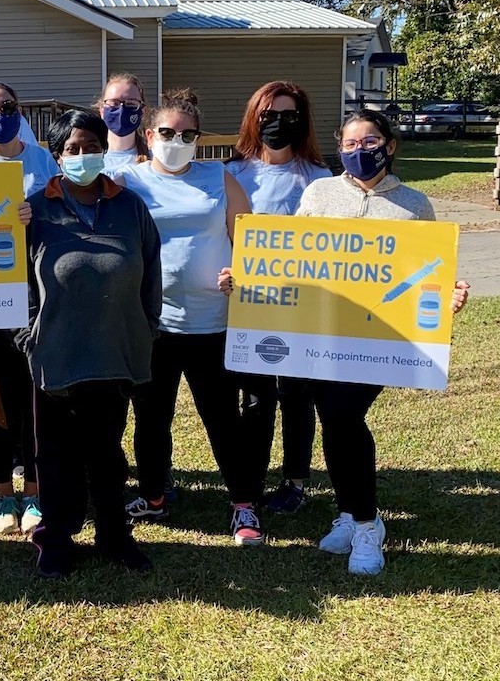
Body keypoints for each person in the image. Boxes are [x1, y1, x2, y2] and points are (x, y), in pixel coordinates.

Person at [220, 109, 470, 575]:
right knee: (335, 423)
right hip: (319, 336)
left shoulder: (415, 205)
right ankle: (350, 515)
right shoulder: (319, 193)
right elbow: (291, 259)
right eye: (350, 145)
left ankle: (366, 524)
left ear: (390, 146)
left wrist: (449, 295)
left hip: (378, 341)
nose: (360, 151)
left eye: (370, 141)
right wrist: (246, 278)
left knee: (341, 416)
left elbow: (429, 274)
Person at [112, 91, 266, 547]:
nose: (176, 141)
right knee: (150, 418)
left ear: (198, 138)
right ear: (148, 135)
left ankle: (243, 506)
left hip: (212, 323)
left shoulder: (219, 178)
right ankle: (154, 495)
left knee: (221, 418)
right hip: (152, 326)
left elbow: (251, 241)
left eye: (187, 134)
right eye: (167, 133)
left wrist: (243, 272)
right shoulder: (125, 180)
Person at [20, 109, 162, 579]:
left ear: (104, 148)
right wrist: (27, 335)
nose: (83, 156)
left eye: (90, 146)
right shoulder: (35, 209)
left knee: (107, 453)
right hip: (55, 353)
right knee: (55, 455)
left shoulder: (130, 206)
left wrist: (145, 327)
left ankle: (114, 536)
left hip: (114, 350)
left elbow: (151, 275)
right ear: (57, 156)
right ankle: (55, 539)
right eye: (72, 149)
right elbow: (11, 278)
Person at [225, 81, 333, 515]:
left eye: (288, 115)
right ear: (254, 117)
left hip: (302, 303)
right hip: (249, 302)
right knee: (254, 398)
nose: (277, 123)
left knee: (296, 395)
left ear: (302, 121)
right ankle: (249, 477)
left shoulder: (320, 178)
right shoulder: (233, 173)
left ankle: (295, 480)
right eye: (268, 115)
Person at [0, 81, 59, 534]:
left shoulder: (43, 160)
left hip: (38, 298)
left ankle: (35, 491)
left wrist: (36, 217)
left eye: (8, 106)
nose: (0, 114)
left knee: (37, 398)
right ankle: (3, 495)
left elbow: (63, 220)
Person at [97, 73, 150, 174]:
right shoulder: (88, 157)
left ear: (142, 111)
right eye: (114, 103)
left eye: (131, 103)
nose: (121, 110)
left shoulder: (155, 160)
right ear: (102, 110)